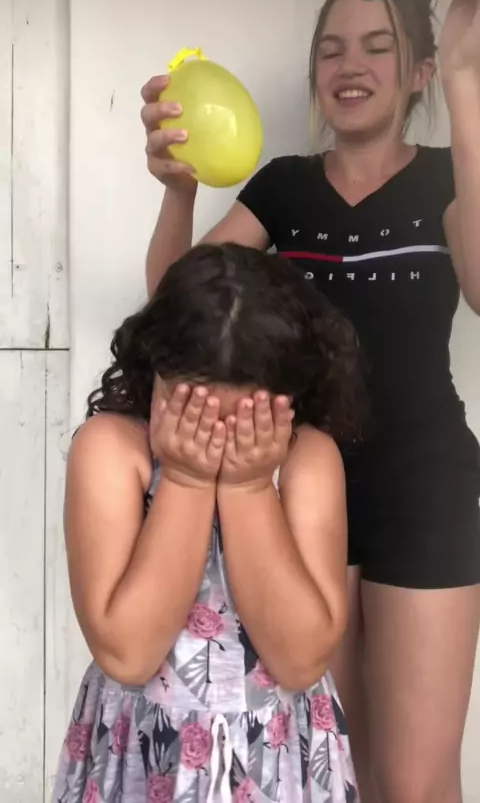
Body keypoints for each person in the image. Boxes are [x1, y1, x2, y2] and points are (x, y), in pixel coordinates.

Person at [139, 0, 480, 803]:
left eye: (377, 46)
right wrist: (178, 191)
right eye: (331, 49)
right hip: (301, 488)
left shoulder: (451, 174)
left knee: (415, 781)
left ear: (420, 71)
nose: (349, 65)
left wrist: (468, 81)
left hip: (426, 490)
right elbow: (175, 307)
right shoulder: (284, 187)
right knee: (332, 769)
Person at [53, 243, 365, 803]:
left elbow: (299, 660)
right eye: (194, 414)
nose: (216, 442)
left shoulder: (307, 460)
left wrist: (249, 488)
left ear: (289, 396)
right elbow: (128, 653)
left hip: (277, 759)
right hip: (144, 757)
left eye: (245, 421)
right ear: (156, 372)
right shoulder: (111, 452)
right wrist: (187, 480)